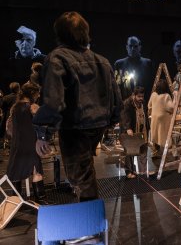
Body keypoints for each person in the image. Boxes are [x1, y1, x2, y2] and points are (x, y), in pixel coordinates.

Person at [33, 11, 122, 202]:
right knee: (85, 175)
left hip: (74, 129)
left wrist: (43, 134)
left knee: (81, 180)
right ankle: (91, 223)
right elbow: (117, 99)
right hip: (97, 126)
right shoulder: (103, 61)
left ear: (60, 34)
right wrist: (110, 122)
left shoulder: (57, 58)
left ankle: (92, 227)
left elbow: (53, 101)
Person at [7, 83, 50, 204]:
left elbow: (9, 128)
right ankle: (41, 200)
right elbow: (42, 125)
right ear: (32, 94)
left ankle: (16, 202)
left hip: (17, 144)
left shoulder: (14, 107)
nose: (39, 95)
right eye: (37, 93)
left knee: (16, 172)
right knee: (36, 171)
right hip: (31, 143)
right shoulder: (33, 107)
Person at [120, 86, 150, 178]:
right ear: (134, 95)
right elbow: (124, 116)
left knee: (143, 149)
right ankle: (129, 172)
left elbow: (145, 114)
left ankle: (143, 171)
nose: (141, 98)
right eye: (139, 96)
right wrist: (128, 128)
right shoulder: (127, 103)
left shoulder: (143, 103)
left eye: (142, 96)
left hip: (142, 131)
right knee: (130, 152)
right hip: (130, 130)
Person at [148, 80, 175, 157]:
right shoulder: (166, 96)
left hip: (154, 118)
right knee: (164, 135)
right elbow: (171, 108)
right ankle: (166, 153)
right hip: (163, 119)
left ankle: (155, 152)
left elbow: (149, 106)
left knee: (156, 135)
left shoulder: (153, 95)